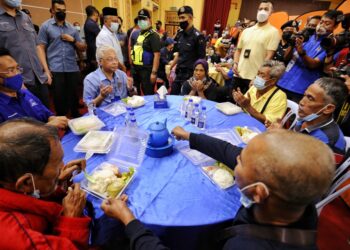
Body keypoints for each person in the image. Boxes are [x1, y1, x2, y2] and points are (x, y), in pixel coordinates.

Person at [101, 129, 335, 250]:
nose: (235, 160)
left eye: (241, 161)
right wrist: (191, 137)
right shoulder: (299, 206)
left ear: (258, 192)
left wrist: (128, 220)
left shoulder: (244, 248)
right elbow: (227, 150)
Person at [0, 118, 90, 249]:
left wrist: (56, 181)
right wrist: (71, 219)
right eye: (58, 163)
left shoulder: (11, 180)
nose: (63, 166)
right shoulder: (16, 237)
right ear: (26, 183)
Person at [269, 77, 348, 163]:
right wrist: (281, 132)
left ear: (328, 108)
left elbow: (298, 170)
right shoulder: (305, 119)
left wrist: (277, 137)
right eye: (304, 95)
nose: (301, 102)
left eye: (310, 98)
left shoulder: (327, 141)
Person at [277, 10, 343, 103]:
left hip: (300, 89)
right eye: (321, 22)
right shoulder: (307, 37)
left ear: (335, 26)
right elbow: (286, 57)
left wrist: (302, 53)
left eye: (327, 23)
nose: (322, 25)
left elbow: (313, 65)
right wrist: (292, 44)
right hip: (282, 82)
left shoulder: (330, 45)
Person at [38, 0, 87, 117]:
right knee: (59, 98)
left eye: (64, 11)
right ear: (52, 10)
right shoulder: (45, 26)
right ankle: (62, 121)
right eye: (59, 10)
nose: (62, 13)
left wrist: (73, 40)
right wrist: (46, 69)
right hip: (56, 67)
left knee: (74, 96)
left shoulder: (72, 28)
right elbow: (40, 48)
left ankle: (75, 116)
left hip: (72, 67)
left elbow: (83, 48)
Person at [0, 0, 52, 108]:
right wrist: (14, 79)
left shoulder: (25, 17)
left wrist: (46, 71)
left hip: (39, 78)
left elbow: (37, 46)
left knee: (46, 114)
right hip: (16, 82)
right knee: (29, 121)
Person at [0, 48, 68, 129]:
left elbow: (47, 115)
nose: (17, 74)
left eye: (17, 68)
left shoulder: (25, 94)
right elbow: (7, 141)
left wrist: (54, 119)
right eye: (10, 70)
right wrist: (47, 127)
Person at [233, 1, 280, 94]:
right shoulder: (247, 31)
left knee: (247, 105)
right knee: (231, 103)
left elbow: (269, 57)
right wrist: (235, 63)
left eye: (266, 9)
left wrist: (258, 77)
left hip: (254, 77)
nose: (262, 11)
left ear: (271, 12)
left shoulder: (273, 32)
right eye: (260, 9)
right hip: (238, 74)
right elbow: (238, 50)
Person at [170, 6, 206, 95]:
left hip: (190, 76)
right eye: (179, 18)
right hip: (179, 73)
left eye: (183, 17)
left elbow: (201, 60)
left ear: (190, 18)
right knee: (172, 97)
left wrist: (198, 78)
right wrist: (170, 67)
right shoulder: (180, 34)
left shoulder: (198, 36)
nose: (180, 20)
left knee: (185, 101)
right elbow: (178, 54)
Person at [131, 9, 161, 95]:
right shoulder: (137, 34)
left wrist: (154, 73)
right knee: (135, 93)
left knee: (148, 94)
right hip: (135, 69)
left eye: (144, 19)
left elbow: (157, 55)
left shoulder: (154, 35)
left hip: (147, 70)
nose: (141, 21)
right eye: (140, 19)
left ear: (150, 20)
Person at [96, 7, 126, 72]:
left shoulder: (112, 33)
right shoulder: (104, 36)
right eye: (114, 21)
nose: (116, 24)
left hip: (116, 69)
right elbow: (109, 56)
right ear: (105, 21)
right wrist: (122, 67)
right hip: (110, 70)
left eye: (117, 21)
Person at [84, 5, 100, 73]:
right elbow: (101, 37)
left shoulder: (88, 22)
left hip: (92, 54)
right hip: (94, 55)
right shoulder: (91, 24)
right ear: (94, 13)